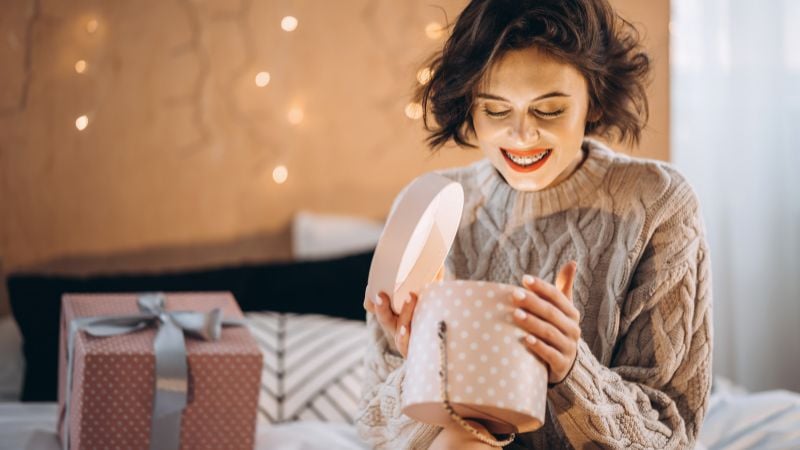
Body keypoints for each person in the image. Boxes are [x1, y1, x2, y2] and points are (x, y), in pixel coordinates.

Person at [356, 0, 712, 448]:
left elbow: (672, 434)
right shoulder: (430, 210)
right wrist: (424, 367)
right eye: (497, 111)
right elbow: (373, 432)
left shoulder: (656, 203)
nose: (522, 136)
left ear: (594, 103)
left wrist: (570, 370)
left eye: (549, 110)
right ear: (470, 106)